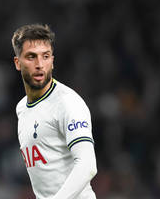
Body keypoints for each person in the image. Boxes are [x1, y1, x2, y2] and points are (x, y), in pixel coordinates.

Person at [11, 23, 97, 199]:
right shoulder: (21, 108)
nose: (39, 64)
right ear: (18, 63)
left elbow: (87, 165)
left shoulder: (67, 103)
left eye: (46, 56)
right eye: (31, 57)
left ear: (52, 61)